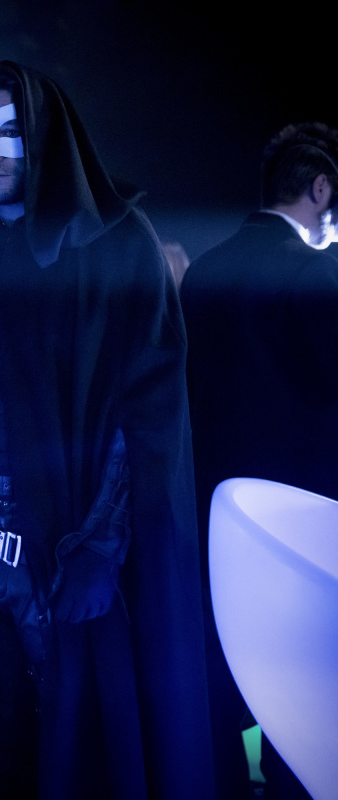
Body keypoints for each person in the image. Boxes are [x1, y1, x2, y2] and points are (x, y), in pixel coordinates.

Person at [0, 62, 214, 798]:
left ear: (42, 137)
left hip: (66, 542)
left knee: (78, 736)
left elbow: (147, 407)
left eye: (9, 131)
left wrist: (101, 544)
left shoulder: (116, 242)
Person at [181, 121, 338, 800]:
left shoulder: (204, 271)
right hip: (298, 522)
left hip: (211, 514)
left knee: (221, 681)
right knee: (300, 696)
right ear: (320, 188)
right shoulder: (316, 271)